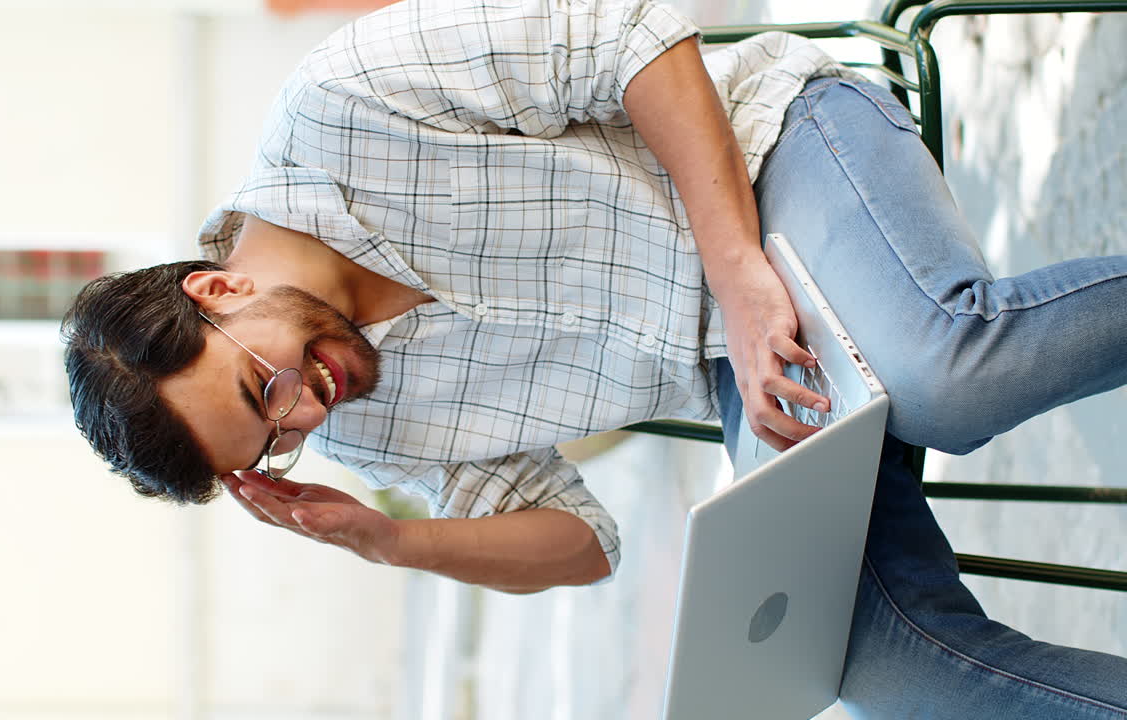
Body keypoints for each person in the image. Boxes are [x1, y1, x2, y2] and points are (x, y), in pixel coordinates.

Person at [61, 0, 1127, 716]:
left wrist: (739, 271)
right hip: (753, 377)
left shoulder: (344, 101)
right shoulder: (362, 420)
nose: (305, 414)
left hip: (775, 157)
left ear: (217, 290)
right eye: (275, 439)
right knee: (873, 662)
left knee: (945, 378)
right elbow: (585, 542)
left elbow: (632, 36)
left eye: (264, 387)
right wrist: (393, 542)